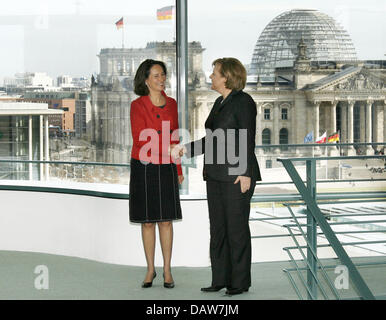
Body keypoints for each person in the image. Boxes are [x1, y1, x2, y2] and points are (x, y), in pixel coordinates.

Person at [171, 57, 261, 296]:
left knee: (236, 230)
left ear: (227, 77)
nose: (211, 76)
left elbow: (247, 138)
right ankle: (219, 278)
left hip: (235, 176)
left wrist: (245, 173)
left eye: (215, 73)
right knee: (218, 230)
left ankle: (239, 282)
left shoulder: (243, 102)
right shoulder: (219, 102)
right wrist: (185, 149)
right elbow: (211, 140)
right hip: (216, 176)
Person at [129, 59, 184, 289]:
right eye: (156, 76)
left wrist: (178, 167)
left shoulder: (171, 104)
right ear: (146, 80)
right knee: (148, 223)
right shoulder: (137, 105)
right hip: (144, 167)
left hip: (167, 166)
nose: (162, 79)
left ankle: (167, 271)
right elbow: (141, 137)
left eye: (163, 75)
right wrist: (169, 149)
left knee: (166, 221)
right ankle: (150, 269)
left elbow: (175, 138)